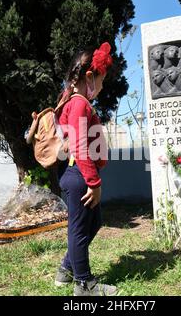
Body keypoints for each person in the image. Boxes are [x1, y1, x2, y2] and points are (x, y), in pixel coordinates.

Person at [53, 42, 116, 296]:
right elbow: (79, 145)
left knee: (94, 222)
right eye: (102, 81)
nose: (101, 88)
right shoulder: (79, 103)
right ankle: (84, 284)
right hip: (79, 174)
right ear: (90, 77)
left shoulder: (76, 102)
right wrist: (94, 183)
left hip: (79, 173)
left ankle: (66, 269)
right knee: (79, 230)